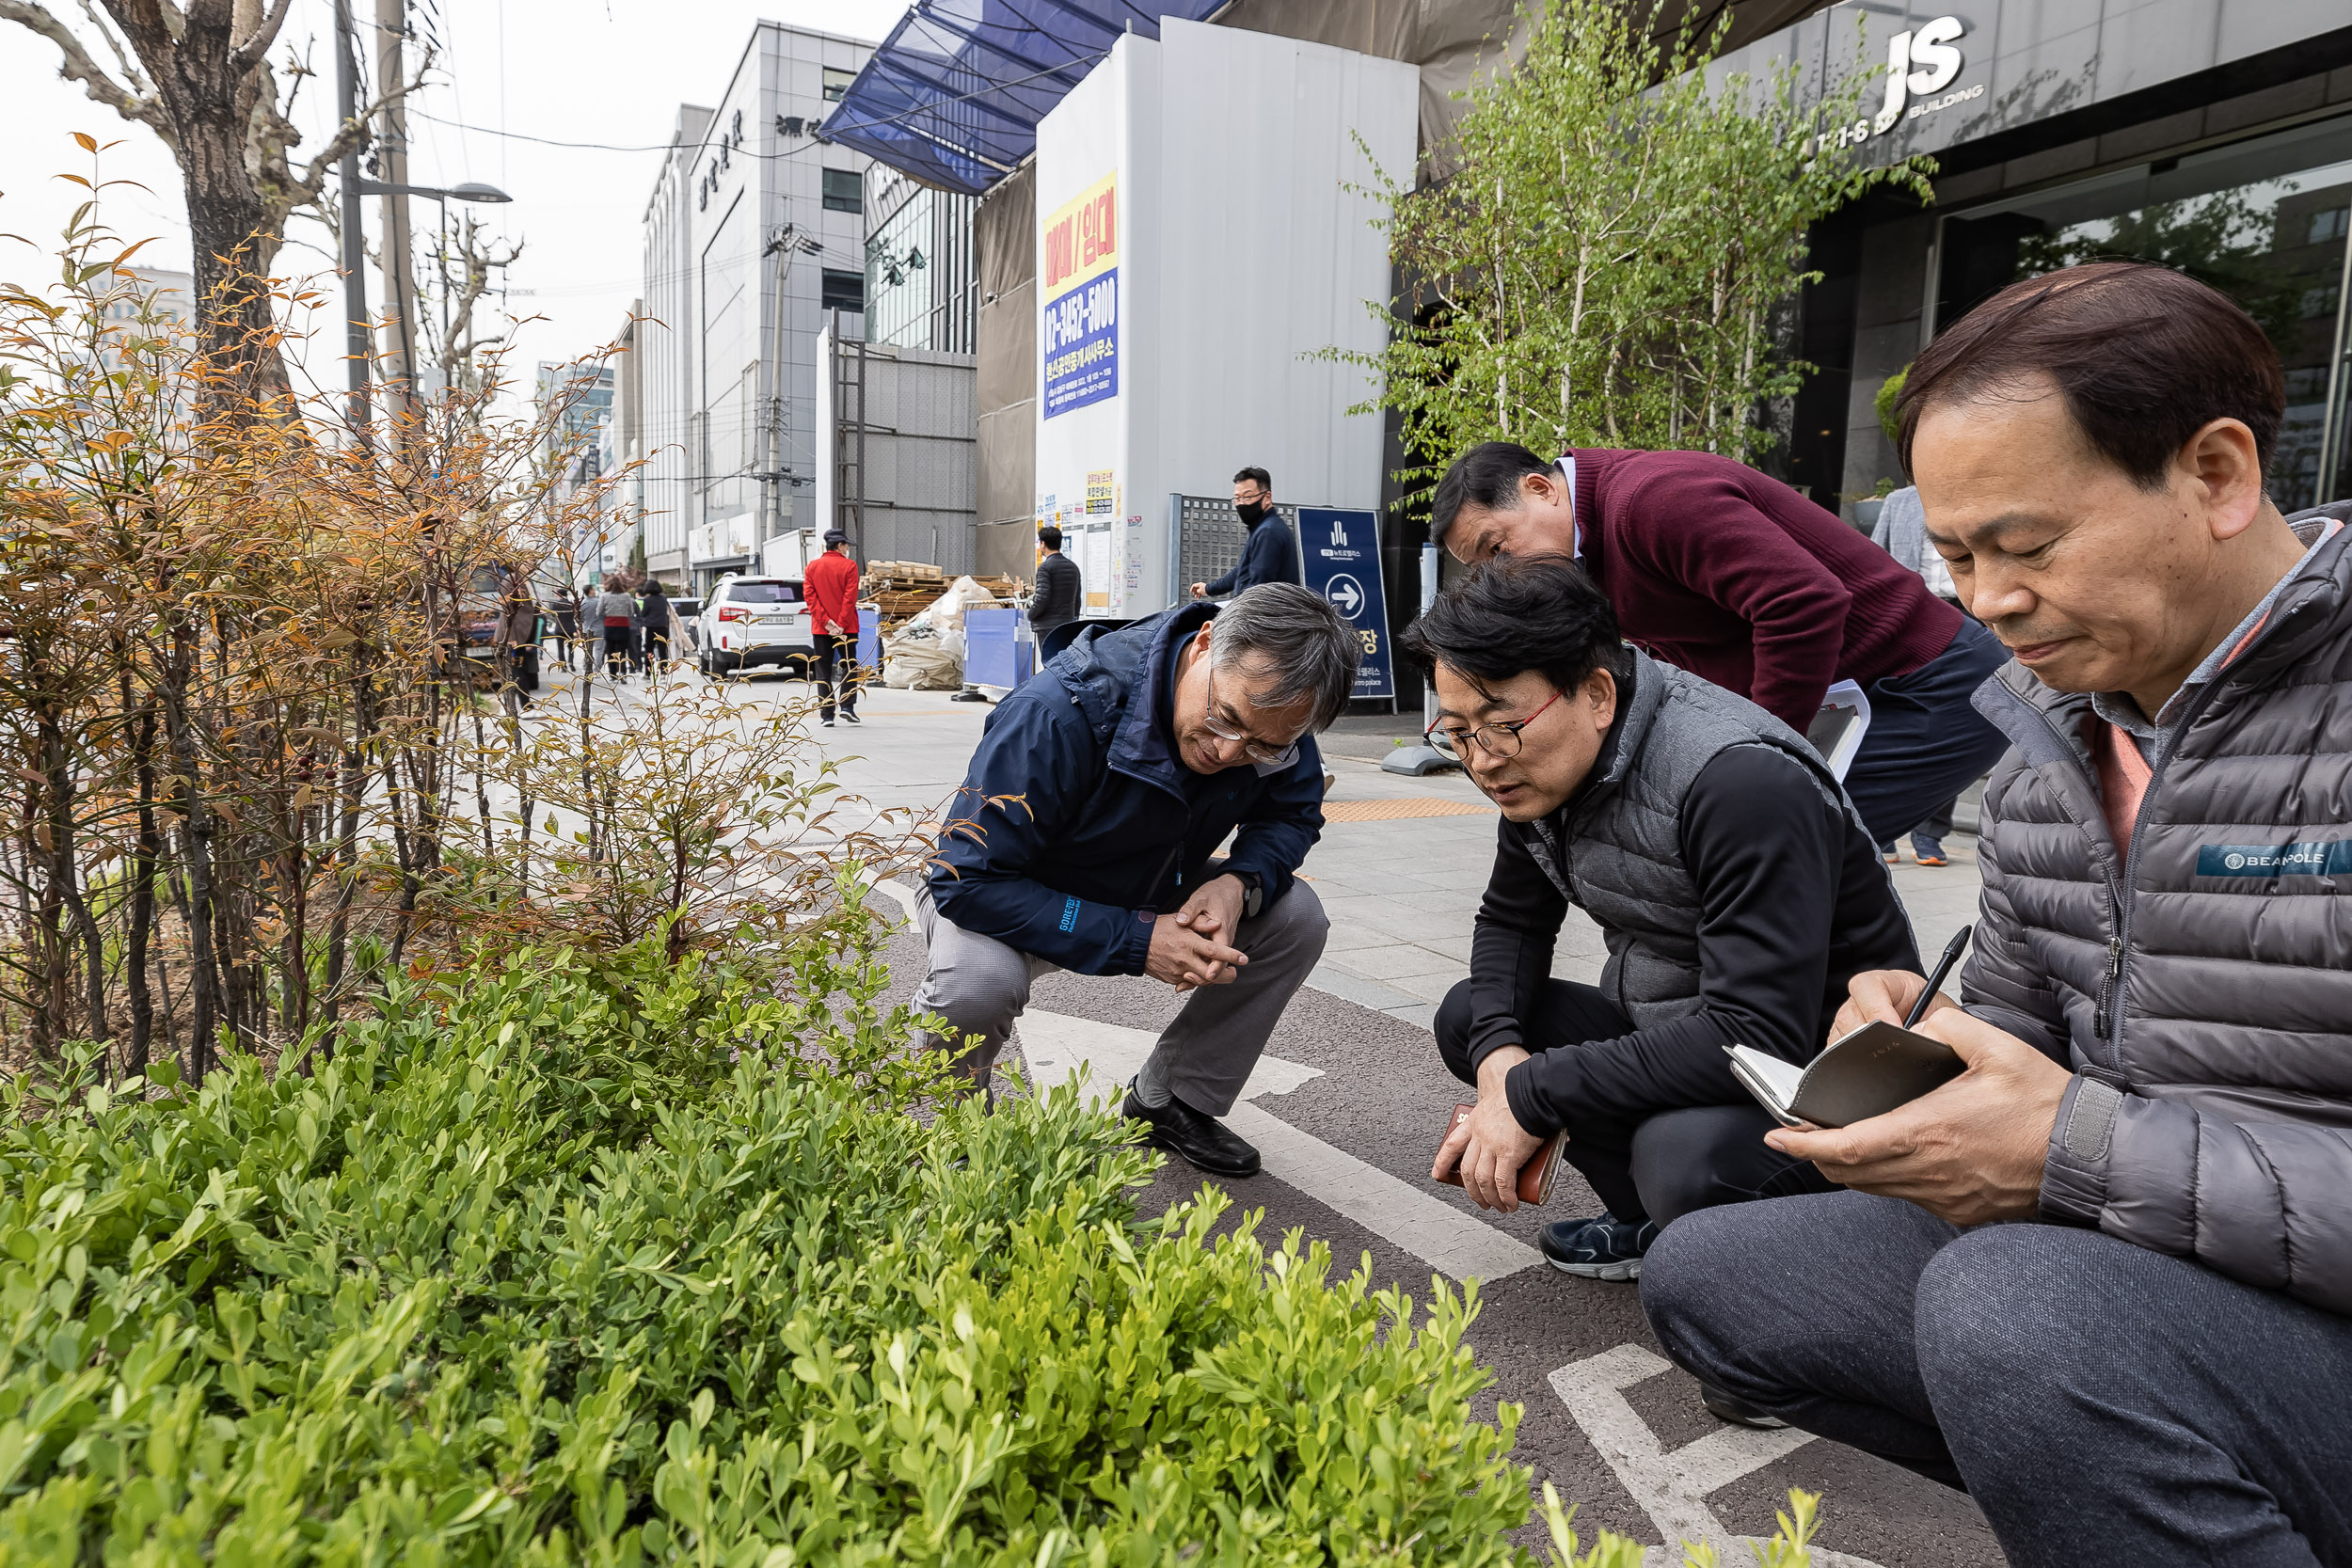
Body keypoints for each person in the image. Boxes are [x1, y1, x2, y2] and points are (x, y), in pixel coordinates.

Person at [1639, 262, 2352, 1567]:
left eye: (2023, 546)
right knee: (1713, 1272)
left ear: (2217, 473)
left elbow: (2062, 1145)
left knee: (2018, 1311)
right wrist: (1920, 1047)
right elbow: (2021, 1028)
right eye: (1955, 556)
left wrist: (2072, 1153)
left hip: (2248, 1293)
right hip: (2135, 1251)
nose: (1985, 601)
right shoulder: (2044, 738)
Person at [1407, 555, 1917, 1286]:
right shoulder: (1540, 769)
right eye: (1456, 733)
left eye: (1501, 725)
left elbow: (1757, 1033)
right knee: (1475, 1016)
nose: (1482, 761)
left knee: (1683, 1156)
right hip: (1691, 1031)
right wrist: (1499, 1067)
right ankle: (1652, 1225)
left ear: (1597, 694)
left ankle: (1811, 1292)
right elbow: (1512, 923)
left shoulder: (1739, 780)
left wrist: (1533, 1090)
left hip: (1822, 1082)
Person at [919, 582, 1359, 1176]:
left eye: (1261, 745)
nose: (1230, 752)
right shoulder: (1057, 711)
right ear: (1205, 644)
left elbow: (1293, 812)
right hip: (1011, 887)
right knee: (978, 983)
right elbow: (966, 878)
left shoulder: (1278, 716)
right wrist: (1138, 939)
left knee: (1294, 917)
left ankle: (1169, 1100)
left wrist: (1239, 882)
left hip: (1147, 874)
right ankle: (958, 1135)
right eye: (1223, 719)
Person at [1430, 441, 2010, 848]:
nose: (1504, 575)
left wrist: (1758, 755)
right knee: (1769, 854)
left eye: (1498, 549)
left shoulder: (1651, 501)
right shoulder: (1584, 555)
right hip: (1852, 694)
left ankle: (1825, 1015)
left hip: (1931, 682)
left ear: (1540, 490)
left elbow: (1802, 602)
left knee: (1786, 844)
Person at [1870, 486, 1966, 865]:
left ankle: (1929, 834)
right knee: (1891, 718)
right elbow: (1874, 558)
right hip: (1912, 617)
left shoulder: (1976, 494)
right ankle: (1883, 831)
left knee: (1956, 725)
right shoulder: (1899, 502)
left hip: (1968, 616)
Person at [1190, 467, 1297, 600]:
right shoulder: (1262, 529)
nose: (1241, 504)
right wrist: (1209, 588)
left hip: (1266, 618)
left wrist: (1234, 615)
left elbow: (1258, 589)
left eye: (1247, 497)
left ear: (1267, 497)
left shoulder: (1268, 533)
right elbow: (1242, 571)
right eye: (1237, 498)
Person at [803, 530, 862, 727]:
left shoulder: (812, 567)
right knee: (848, 665)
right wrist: (841, 624)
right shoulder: (849, 566)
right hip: (847, 628)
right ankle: (847, 706)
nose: (848, 549)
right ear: (839, 546)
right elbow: (850, 597)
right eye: (846, 546)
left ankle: (827, 715)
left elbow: (810, 598)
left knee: (823, 670)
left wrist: (827, 622)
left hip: (821, 629)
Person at [1030, 525, 1083, 642]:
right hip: (1067, 625)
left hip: (1047, 626)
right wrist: (1073, 620)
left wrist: (1031, 614)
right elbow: (1077, 599)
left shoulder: (1045, 567)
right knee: (1064, 659)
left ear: (1043, 544)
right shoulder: (1073, 567)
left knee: (1049, 660)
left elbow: (1041, 597)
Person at [596, 576, 636, 683]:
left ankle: (612, 674)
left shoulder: (604, 596)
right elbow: (631, 612)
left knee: (610, 650)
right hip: (623, 625)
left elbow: (598, 612)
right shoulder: (627, 596)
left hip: (610, 625)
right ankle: (622, 672)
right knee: (622, 651)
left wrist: (607, 614)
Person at [641, 578, 675, 675]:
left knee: (649, 651)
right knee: (663, 651)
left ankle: (648, 673)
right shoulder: (664, 598)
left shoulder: (647, 600)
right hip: (663, 627)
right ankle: (663, 673)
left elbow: (643, 613)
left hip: (651, 628)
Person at [552, 586, 581, 673]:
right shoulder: (571, 604)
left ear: (559, 595)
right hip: (570, 628)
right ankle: (571, 662)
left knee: (560, 648)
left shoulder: (555, 604)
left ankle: (563, 666)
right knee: (571, 647)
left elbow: (553, 615)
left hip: (559, 628)